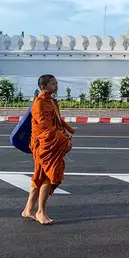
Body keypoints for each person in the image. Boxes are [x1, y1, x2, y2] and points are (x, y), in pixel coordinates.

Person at [22, 74, 74, 225]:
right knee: (47, 177)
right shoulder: (39, 104)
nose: (56, 86)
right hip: (44, 146)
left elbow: (56, 121)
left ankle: (28, 209)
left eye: (56, 83)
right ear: (43, 87)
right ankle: (41, 212)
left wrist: (65, 132)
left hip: (51, 144)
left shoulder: (51, 101)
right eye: (52, 84)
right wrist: (64, 140)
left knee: (39, 176)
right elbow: (45, 128)